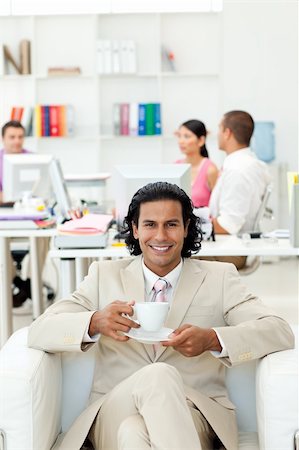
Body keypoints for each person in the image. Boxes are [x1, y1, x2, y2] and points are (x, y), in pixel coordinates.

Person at [28, 181, 294, 450]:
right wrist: (94, 322)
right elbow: (39, 330)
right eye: (150, 224)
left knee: (134, 433)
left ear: (187, 227)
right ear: (134, 229)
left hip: (192, 412)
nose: (161, 236)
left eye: (171, 224)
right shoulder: (103, 276)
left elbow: (279, 331)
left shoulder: (220, 278)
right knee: (157, 376)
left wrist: (213, 339)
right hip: (113, 408)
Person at [208, 110, 272, 269]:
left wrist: (186, 226)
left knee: (172, 255)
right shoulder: (245, 163)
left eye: (219, 129)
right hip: (230, 244)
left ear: (227, 133)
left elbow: (227, 225)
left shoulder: (239, 170)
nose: (217, 134)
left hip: (230, 250)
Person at [0, 120, 51, 309]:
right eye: (12, 137)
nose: (16, 141)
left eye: (20, 137)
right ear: (3, 139)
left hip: (29, 214)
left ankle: (30, 281)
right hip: (4, 216)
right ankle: (15, 280)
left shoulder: (34, 159)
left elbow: (44, 189)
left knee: (43, 237)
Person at [175, 119, 218, 207]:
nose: (181, 141)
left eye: (186, 136)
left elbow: (217, 205)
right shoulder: (175, 167)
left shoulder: (210, 170)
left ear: (201, 141)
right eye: (179, 136)